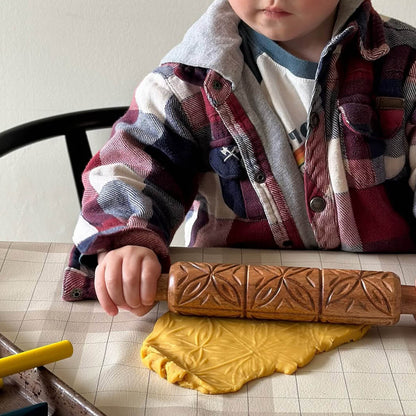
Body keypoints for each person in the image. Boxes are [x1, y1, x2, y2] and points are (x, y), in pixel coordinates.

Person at [63, 0, 416, 317]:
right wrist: (126, 242)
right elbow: (133, 163)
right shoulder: (189, 79)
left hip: (382, 300)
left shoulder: (405, 65)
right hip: (223, 298)